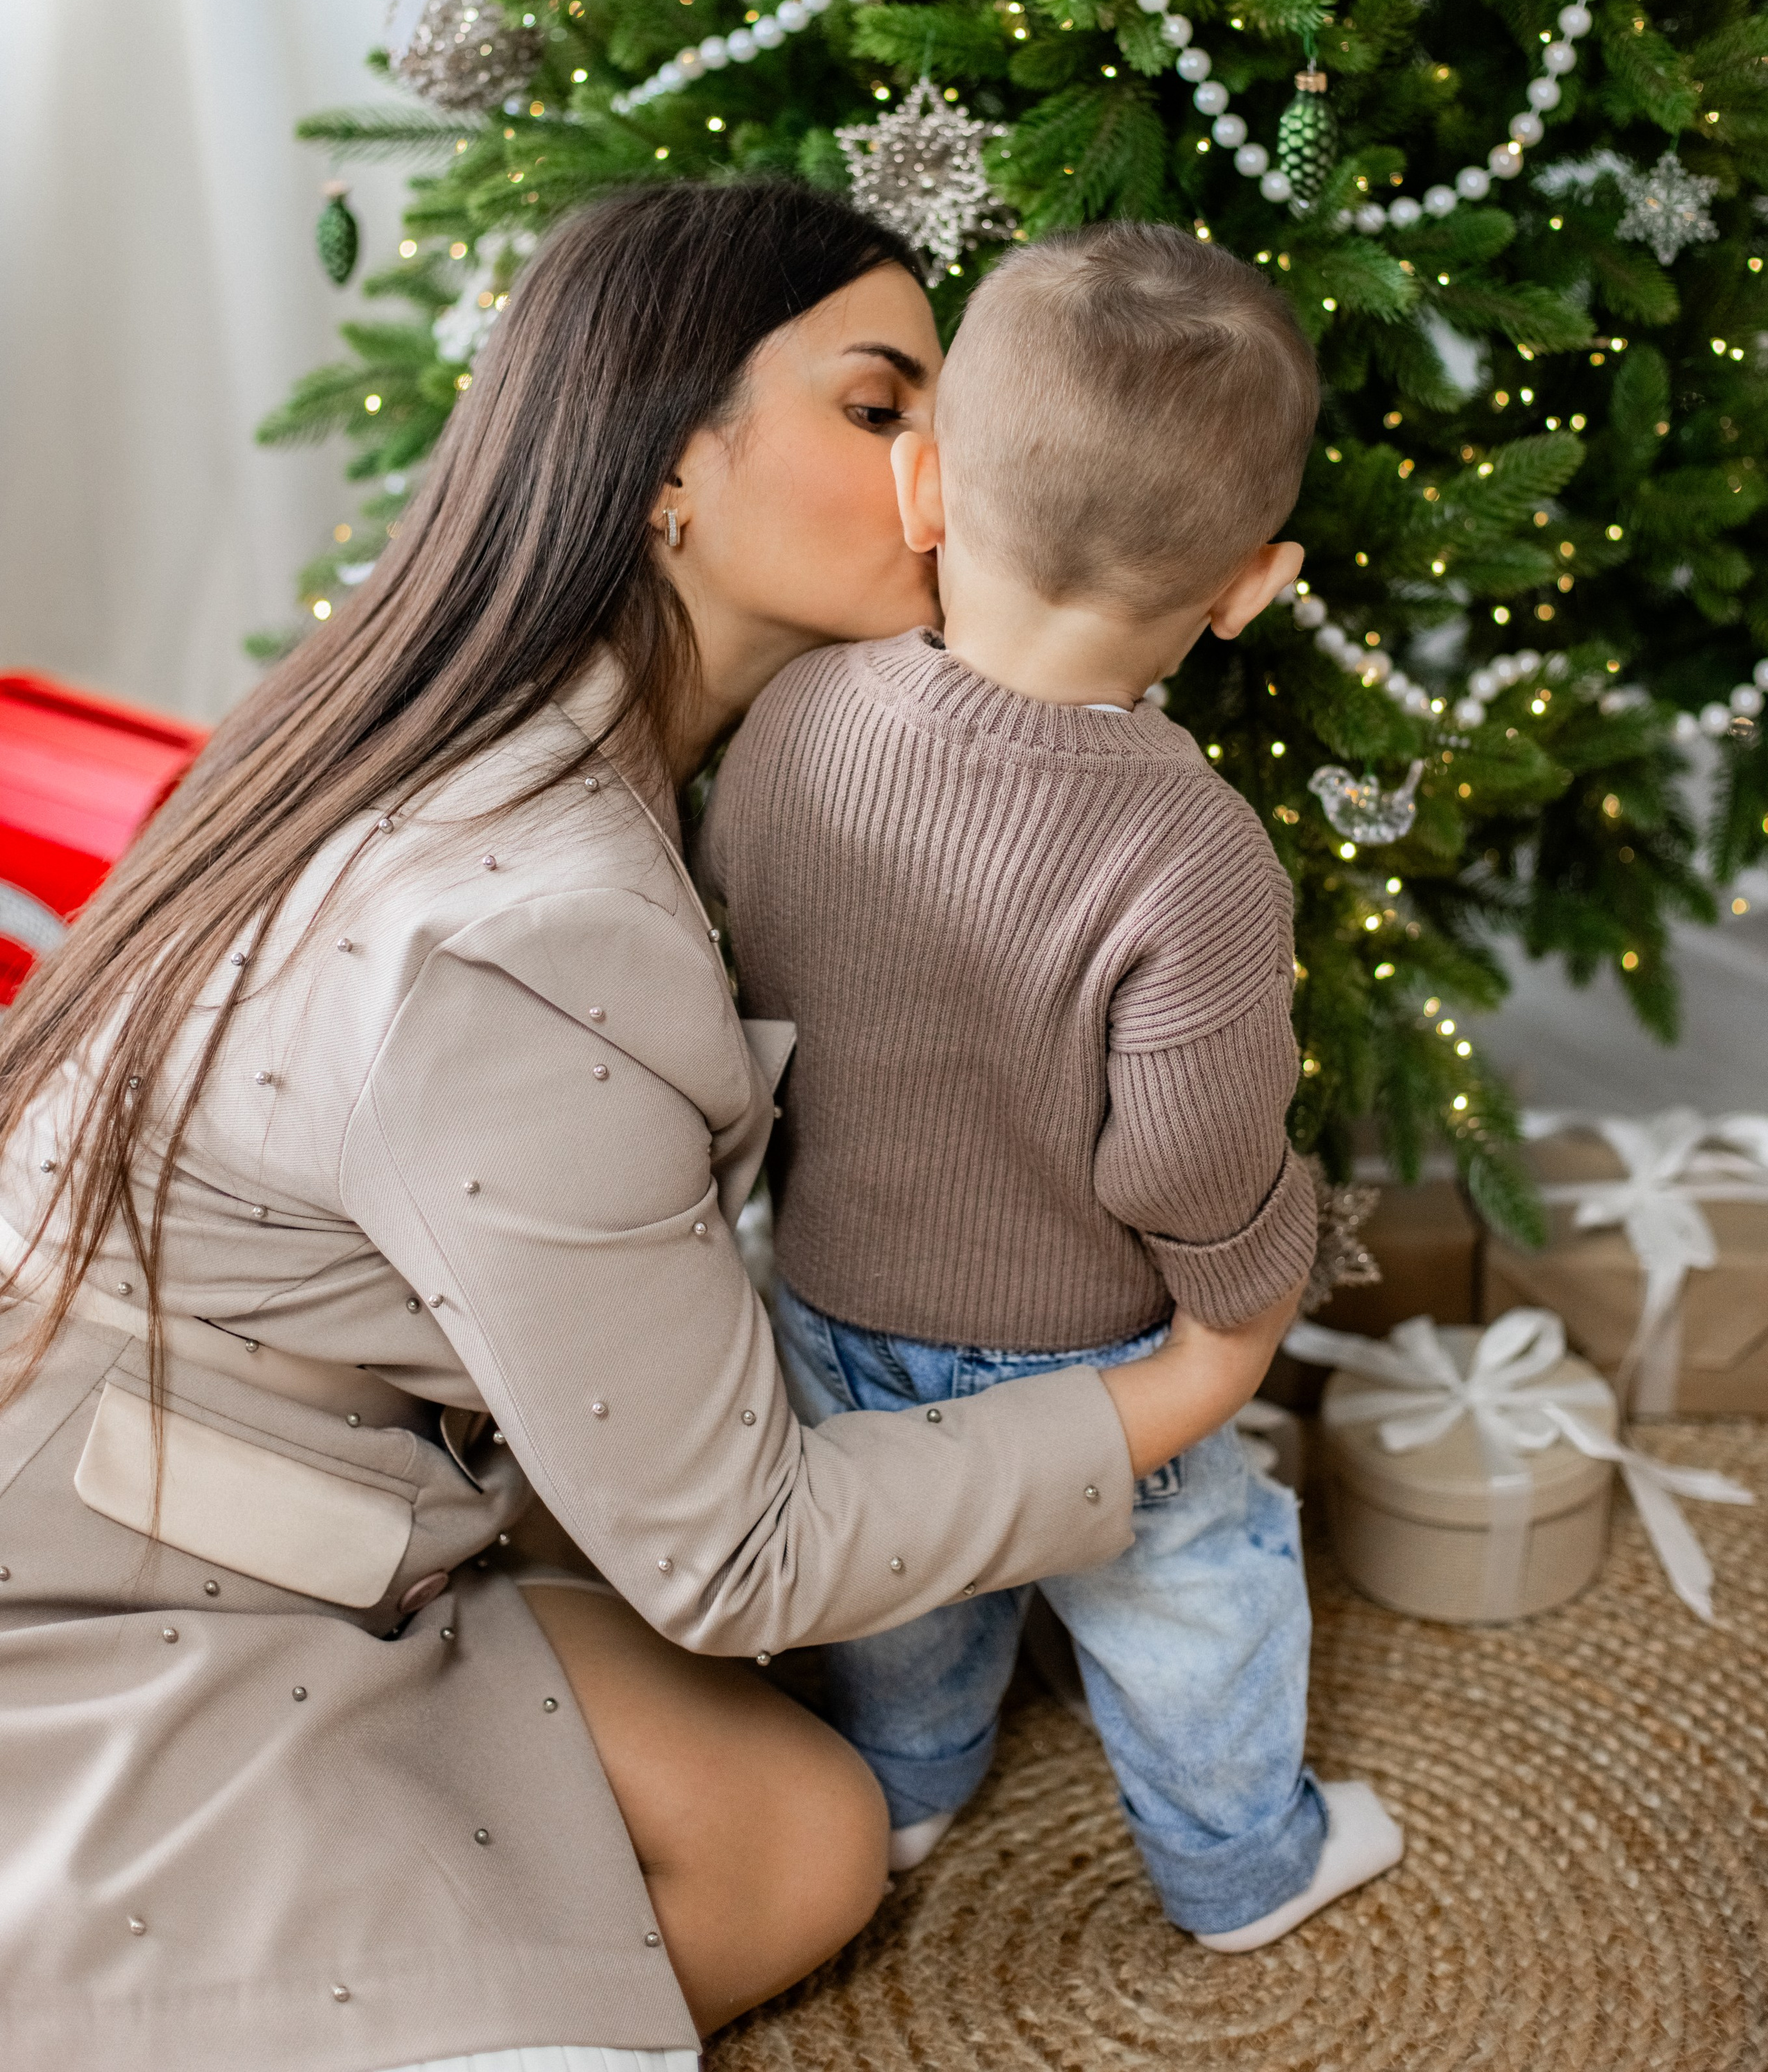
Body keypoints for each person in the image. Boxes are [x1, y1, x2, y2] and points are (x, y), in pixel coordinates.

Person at [0, 180, 1274, 2072]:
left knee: (805, 1820)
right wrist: (1191, 1377)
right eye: (880, 403)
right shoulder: (541, 919)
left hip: (285, 1465)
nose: (958, 464)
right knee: (780, 1835)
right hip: (124, 1555)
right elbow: (741, 1549)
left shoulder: (500, 717)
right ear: (672, 465)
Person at [700, 221, 1406, 1954]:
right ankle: (1242, 1865)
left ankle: (911, 1775)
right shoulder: (1194, 848)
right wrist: (1252, 1286)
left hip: (837, 1286)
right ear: (1249, 583)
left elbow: (754, 966)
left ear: (926, 487)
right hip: (1089, 1354)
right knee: (1191, 1587)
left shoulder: (792, 721)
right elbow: (1185, 1154)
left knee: (899, 1561)